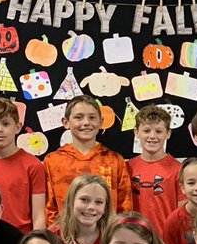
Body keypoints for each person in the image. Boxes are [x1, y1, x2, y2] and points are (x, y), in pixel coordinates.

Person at [43, 96, 132, 225]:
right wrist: (56, 234)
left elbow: (125, 206)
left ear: (101, 121)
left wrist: (118, 232)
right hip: (64, 234)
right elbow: (49, 206)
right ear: (66, 122)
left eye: (92, 117)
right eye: (78, 117)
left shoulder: (115, 160)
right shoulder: (53, 161)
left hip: (107, 233)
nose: (86, 122)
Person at [0, 97, 46, 233]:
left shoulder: (33, 165)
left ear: (17, 127)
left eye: (6, 124)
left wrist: (36, 242)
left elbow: (38, 216)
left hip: (23, 239)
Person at [126, 105, 181, 230]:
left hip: (165, 237)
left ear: (168, 134)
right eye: (146, 131)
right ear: (136, 133)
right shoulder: (127, 168)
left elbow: (183, 211)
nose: (152, 136)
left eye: (158, 131)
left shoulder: (178, 169)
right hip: (135, 236)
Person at [51, 174, 112, 244]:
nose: (91, 207)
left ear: (105, 207)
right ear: (71, 201)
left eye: (98, 202)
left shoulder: (113, 237)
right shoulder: (54, 237)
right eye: (84, 200)